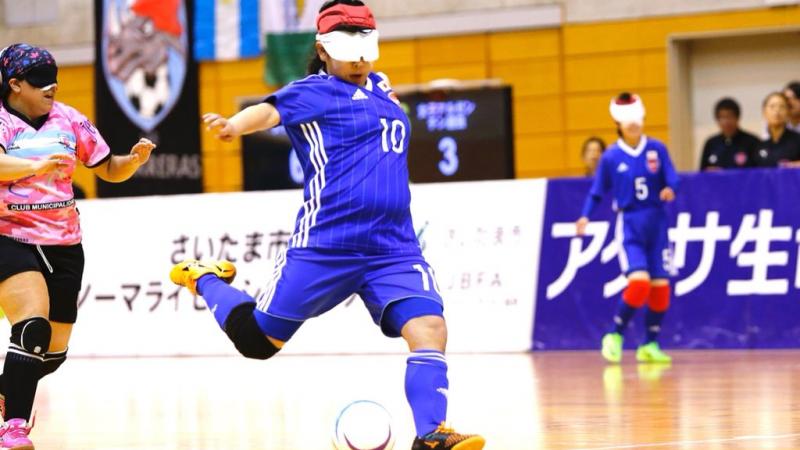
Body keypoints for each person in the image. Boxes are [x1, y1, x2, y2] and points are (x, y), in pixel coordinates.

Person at [168, 2, 485, 450]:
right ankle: (206, 280)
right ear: (322, 49)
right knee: (259, 342)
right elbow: (268, 111)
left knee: (430, 327)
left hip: (393, 247)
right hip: (325, 244)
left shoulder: (381, 88)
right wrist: (233, 126)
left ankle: (431, 434)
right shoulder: (311, 91)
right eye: (346, 49)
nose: (359, 59)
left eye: (365, 48)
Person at [0, 43, 155, 449]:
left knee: (50, 355)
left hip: (65, 242)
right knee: (31, 326)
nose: (50, 86)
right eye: (38, 81)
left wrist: (132, 162)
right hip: (10, 235)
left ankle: (6, 393)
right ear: (14, 85)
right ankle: (13, 428)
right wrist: (36, 165)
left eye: (53, 78)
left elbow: (106, 168)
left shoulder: (69, 119)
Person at [575, 92, 679, 364]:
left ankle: (650, 343)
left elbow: (673, 176)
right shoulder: (611, 157)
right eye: (627, 121)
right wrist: (585, 216)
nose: (634, 124)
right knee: (639, 281)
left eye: (637, 119)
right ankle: (615, 334)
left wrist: (670, 189)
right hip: (630, 224)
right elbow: (597, 192)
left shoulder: (657, 148)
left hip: (657, 223)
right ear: (618, 124)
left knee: (660, 287)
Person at [699, 97, 760, 171]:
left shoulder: (752, 142)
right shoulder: (711, 143)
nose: (726, 122)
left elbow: (759, 173)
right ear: (717, 120)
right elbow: (702, 173)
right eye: (722, 117)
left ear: (737, 118)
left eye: (730, 117)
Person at [753, 92, 800, 168]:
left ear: (788, 112)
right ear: (764, 112)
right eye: (772, 106)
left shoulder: (797, 140)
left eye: (782, 107)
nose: (777, 110)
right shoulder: (758, 146)